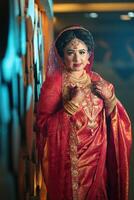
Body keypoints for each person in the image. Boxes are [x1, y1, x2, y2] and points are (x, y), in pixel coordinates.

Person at [35, 25, 132, 200]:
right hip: (70, 165)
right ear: (62, 56)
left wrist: (110, 100)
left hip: (98, 162)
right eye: (70, 52)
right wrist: (72, 105)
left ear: (89, 55)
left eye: (82, 52)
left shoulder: (97, 80)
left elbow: (117, 121)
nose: (77, 57)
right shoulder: (54, 85)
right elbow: (43, 127)